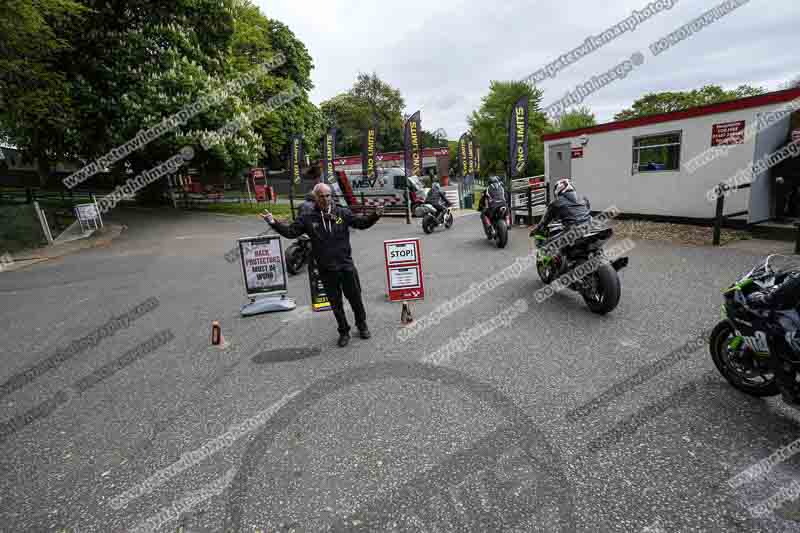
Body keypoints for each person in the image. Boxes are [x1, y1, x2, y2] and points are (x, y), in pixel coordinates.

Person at [262, 183, 383, 347]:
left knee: (355, 299)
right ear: (315, 198)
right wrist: (273, 222)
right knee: (336, 303)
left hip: (346, 265)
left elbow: (360, 223)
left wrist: (375, 215)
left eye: (328, 196)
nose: (325, 199)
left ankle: (362, 325)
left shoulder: (341, 214)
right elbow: (290, 232)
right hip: (327, 269)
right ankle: (343, 331)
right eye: (321, 196)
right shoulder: (308, 218)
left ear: (331, 196)